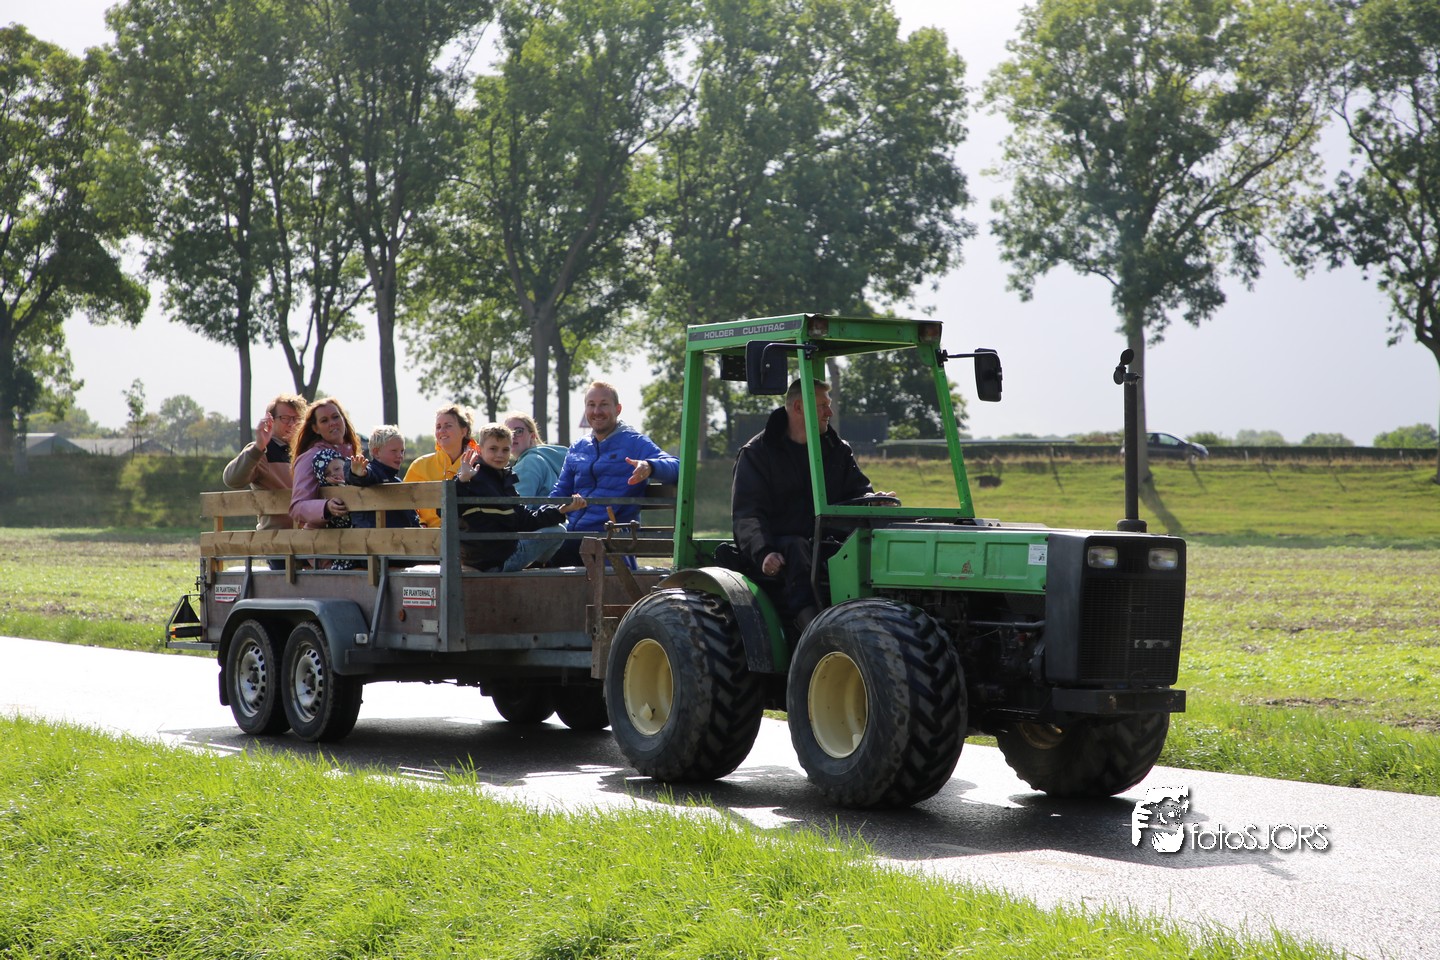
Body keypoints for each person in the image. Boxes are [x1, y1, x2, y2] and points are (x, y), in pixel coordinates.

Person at [731, 377, 887, 629]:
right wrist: (764, 552)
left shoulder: (838, 450)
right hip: (780, 547)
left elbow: (858, 493)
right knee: (797, 547)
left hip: (826, 542)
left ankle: (876, 618)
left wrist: (873, 502)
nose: (830, 412)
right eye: (823, 406)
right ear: (798, 407)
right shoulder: (757, 453)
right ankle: (815, 632)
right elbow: (747, 515)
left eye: (829, 405)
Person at [547, 381, 679, 567]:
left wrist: (649, 466)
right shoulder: (578, 447)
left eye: (604, 404)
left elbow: (676, 466)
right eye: (591, 405)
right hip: (572, 534)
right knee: (535, 556)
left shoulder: (634, 442)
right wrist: (540, 517)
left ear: (618, 409)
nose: (597, 411)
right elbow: (560, 491)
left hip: (611, 535)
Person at [454, 423, 587, 571]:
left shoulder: (503, 480)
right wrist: (461, 481)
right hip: (494, 561)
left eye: (505, 450)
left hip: (489, 557)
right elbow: (445, 512)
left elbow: (524, 519)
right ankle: (539, 567)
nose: (499, 455)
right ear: (479, 449)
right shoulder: (470, 477)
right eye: (493, 449)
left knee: (558, 529)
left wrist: (561, 510)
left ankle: (537, 566)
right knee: (558, 531)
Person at [222, 393, 307, 533]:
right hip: (275, 537)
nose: (292, 424)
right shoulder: (263, 452)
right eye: (285, 418)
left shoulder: (307, 451)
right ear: (271, 420)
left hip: (310, 536)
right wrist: (258, 448)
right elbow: (232, 479)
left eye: (297, 418)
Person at [288, 396, 363, 531]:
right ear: (315, 428)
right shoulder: (309, 458)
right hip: (321, 538)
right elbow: (297, 508)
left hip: (356, 535)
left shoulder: (353, 455)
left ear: (343, 419)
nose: (332, 423)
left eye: (335, 417)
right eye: (324, 420)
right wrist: (326, 507)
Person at [404, 403, 478, 528]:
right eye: (438, 427)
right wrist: (420, 522)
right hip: (426, 536)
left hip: (467, 536)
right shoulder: (419, 465)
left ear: (463, 431)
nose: (442, 431)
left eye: (448, 426)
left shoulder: (477, 464)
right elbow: (404, 502)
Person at [345, 425, 420, 530]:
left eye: (402, 451)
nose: (399, 455)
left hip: (399, 537)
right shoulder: (374, 472)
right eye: (394, 451)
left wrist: (418, 528)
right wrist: (359, 474)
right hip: (378, 537)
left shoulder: (396, 481)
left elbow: (410, 515)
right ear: (376, 452)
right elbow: (366, 477)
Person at [503, 411, 567, 498]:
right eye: (507, 432)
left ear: (532, 436)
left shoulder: (528, 463)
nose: (512, 436)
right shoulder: (548, 459)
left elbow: (520, 504)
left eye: (519, 431)